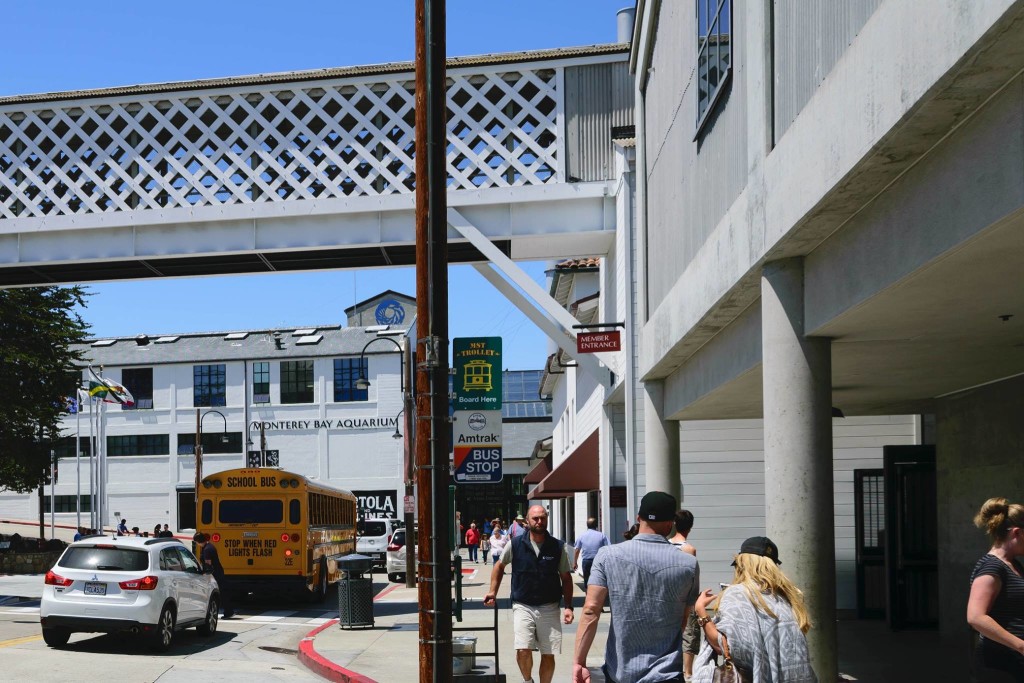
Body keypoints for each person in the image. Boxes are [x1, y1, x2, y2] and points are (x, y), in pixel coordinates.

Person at [572, 491, 699, 683]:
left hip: (621, 672)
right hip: (667, 673)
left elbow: (591, 610)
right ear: (670, 523)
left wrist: (579, 661)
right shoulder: (688, 564)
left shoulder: (607, 556)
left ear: (639, 518)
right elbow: (684, 618)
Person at [690, 536, 816, 683]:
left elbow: (724, 647)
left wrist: (701, 612)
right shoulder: (787, 598)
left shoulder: (737, 594)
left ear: (743, 564)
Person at [485, 505, 575, 683]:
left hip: (550, 606)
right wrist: (492, 592)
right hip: (522, 604)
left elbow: (566, 577)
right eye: (535, 518)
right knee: (523, 649)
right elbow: (499, 566)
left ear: (547, 519)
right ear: (527, 520)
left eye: (542, 518)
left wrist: (569, 606)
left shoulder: (557, 546)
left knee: (548, 654)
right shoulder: (516, 544)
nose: (539, 521)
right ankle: (528, 681)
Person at [967, 496, 1024, 682]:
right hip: (1000, 664)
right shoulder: (992, 567)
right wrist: (1020, 645)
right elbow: (976, 617)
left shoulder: (1013, 565)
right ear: (1017, 533)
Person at [669, 509, 700, 679]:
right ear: (690, 527)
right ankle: (687, 671)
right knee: (689, 633)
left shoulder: (666, 545)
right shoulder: (689, 549)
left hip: (669, 597)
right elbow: (694, 578)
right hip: (686, 597)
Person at [194, 532, 234, 619]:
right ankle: (229, 611)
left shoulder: (206, 550)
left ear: (199, 541)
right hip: (218, 572)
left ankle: (228, 611)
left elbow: (208, 564)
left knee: (220, 593)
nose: (197, 544)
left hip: (214, 574)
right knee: (223, 592)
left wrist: (205, 574)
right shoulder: (210, 546)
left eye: (196, 542)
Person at [572, 517, 610, 586]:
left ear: (587, 525)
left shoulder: (582, 536)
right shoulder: (602, 535)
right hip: (599, 561)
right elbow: (608, 548)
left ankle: (588, 595)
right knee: (600, 581)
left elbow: (577, 550)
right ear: (596, 525)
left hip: (587, 562)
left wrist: (575, 562)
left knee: (587, 581)